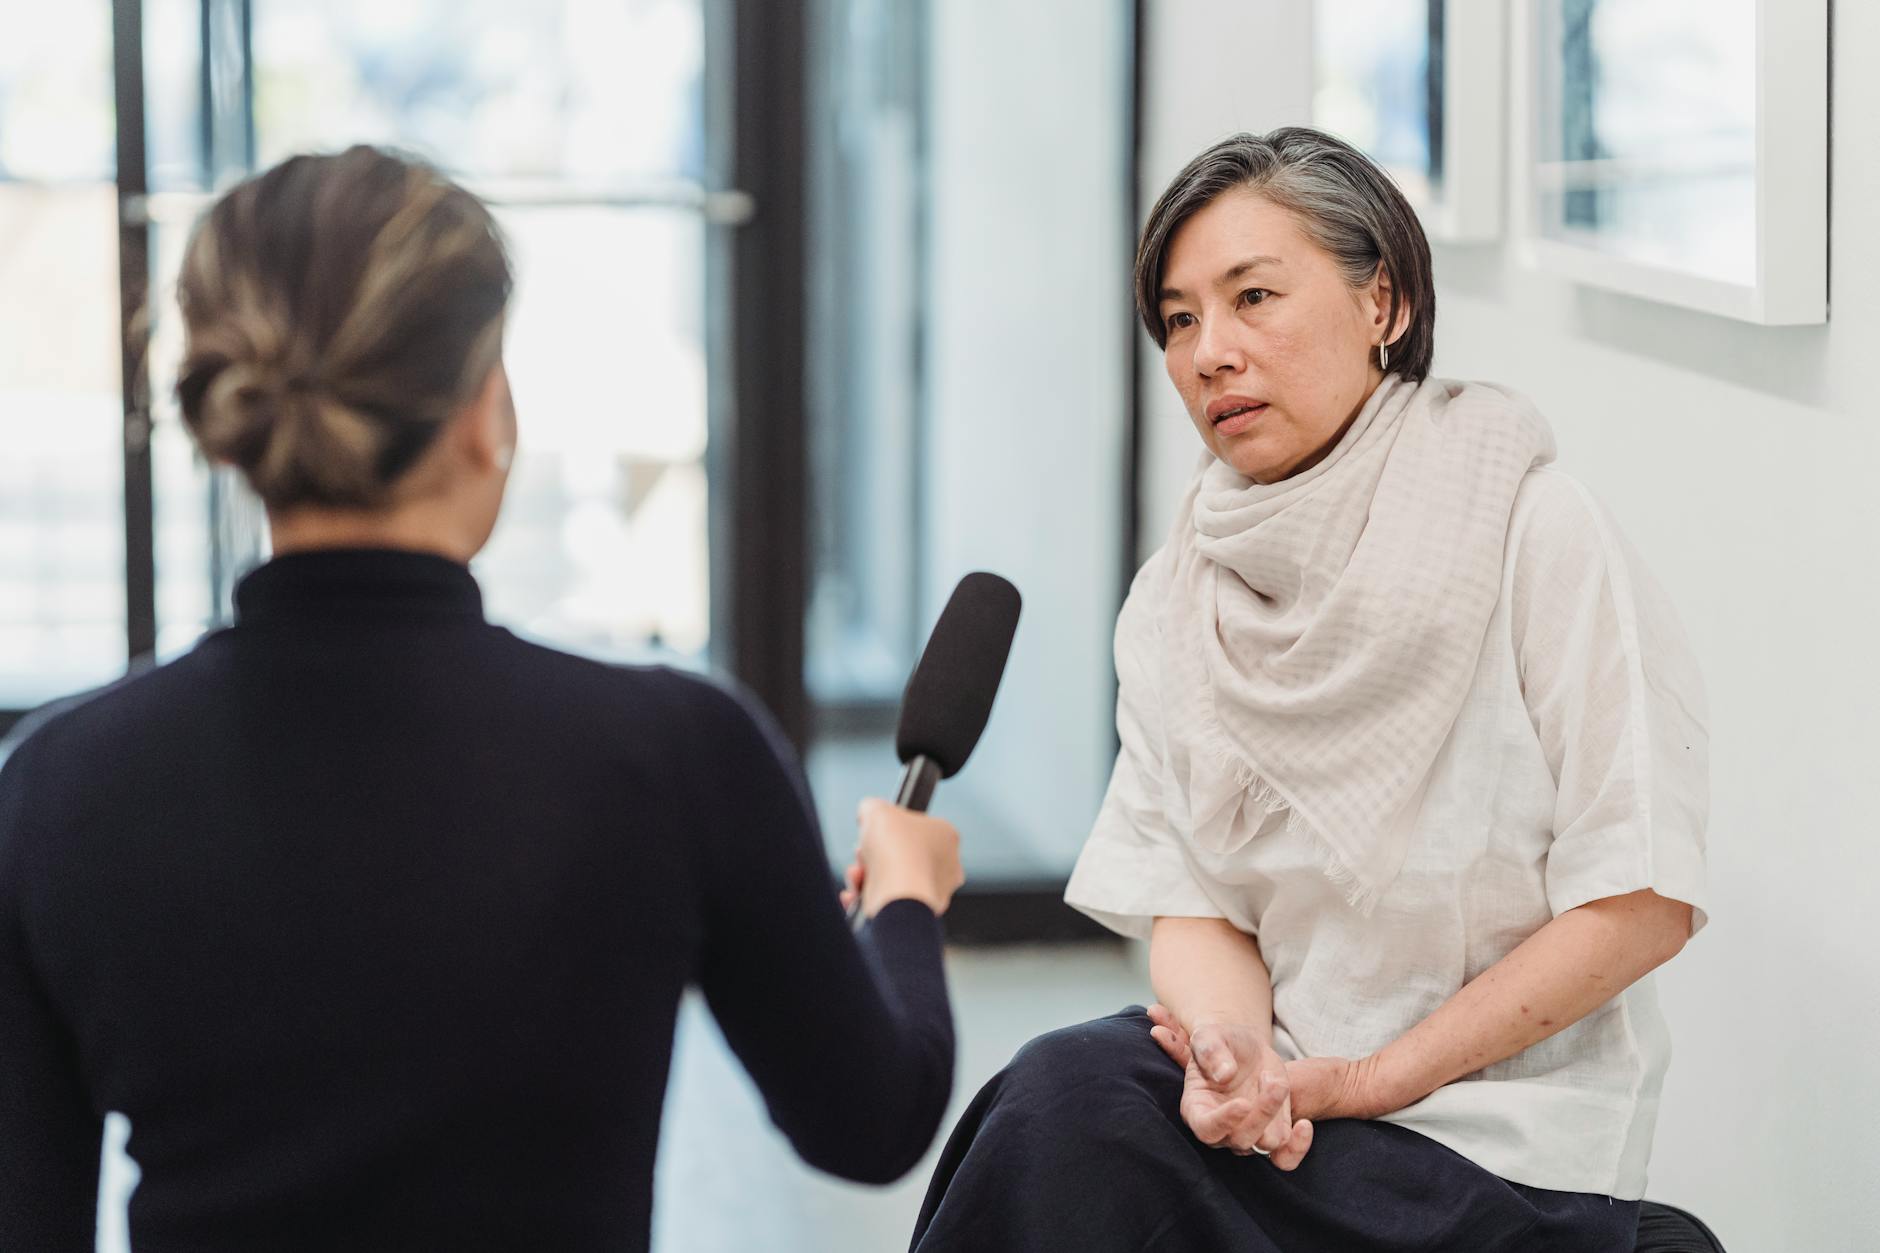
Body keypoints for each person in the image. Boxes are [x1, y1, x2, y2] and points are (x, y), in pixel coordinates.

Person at [0, 146, 964, 1252]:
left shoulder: (54, 786)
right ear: (480, 409)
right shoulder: (675, 751)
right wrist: (902, 901)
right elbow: (873, 1119)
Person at [911, 128, 1708, 1253]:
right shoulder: (1174, 596)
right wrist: (1235, 1059)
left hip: (1497, 1138)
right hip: (1282, 1102)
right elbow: (1192, 896)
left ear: (1380, 302)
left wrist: (1370, 1078)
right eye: (1180, 320)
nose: (1209, 353)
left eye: (1252, 298)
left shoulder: (1535, 530)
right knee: (1052, 1102)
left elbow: (1639, 900)